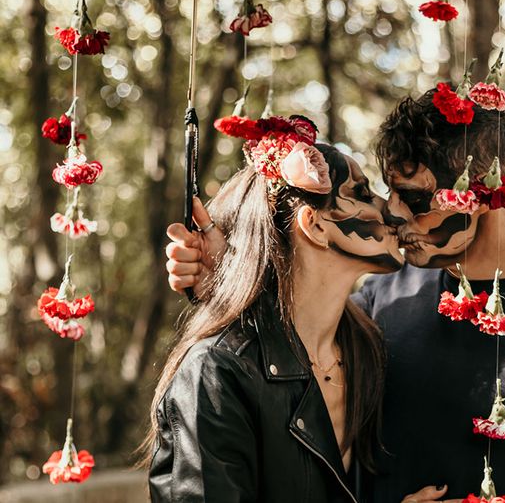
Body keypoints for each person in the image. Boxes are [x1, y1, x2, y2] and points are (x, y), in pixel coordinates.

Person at [167, 93, 505, 503]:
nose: (394, 214)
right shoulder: (377, 305)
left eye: (414, 198)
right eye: (389, 191)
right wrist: (221, 270)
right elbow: (276, 354)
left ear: (483, 194)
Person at [148, 127, 407, 502]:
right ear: (315, 225)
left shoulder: (366, 348)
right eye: (362, 194)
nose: (391, 210)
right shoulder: (218, 373)